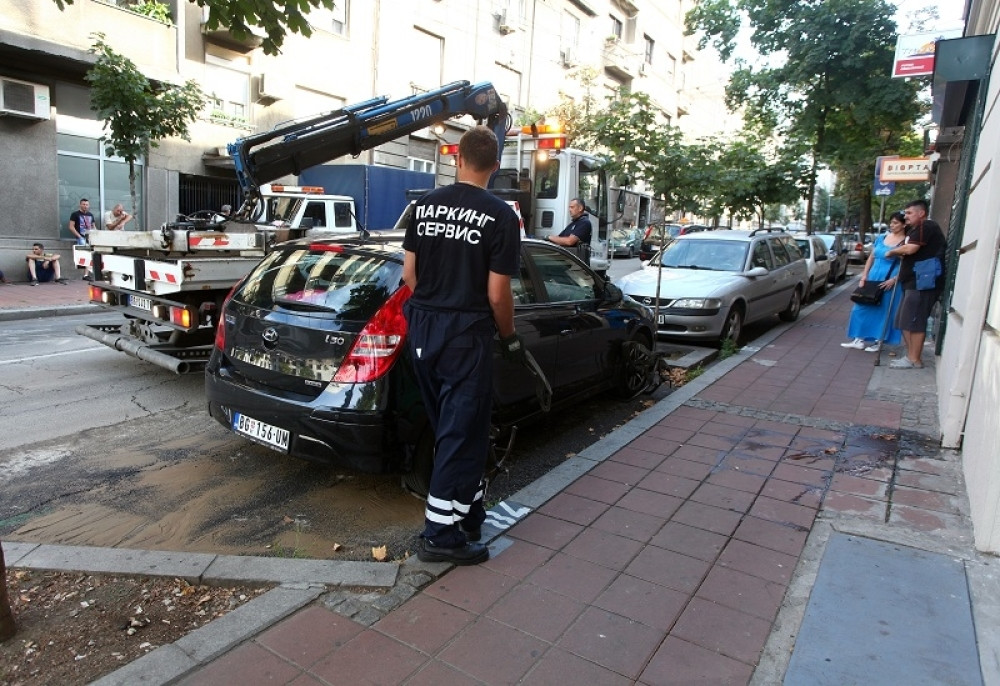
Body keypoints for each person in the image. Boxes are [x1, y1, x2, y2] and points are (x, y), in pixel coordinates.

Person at [402, 125, 521, 566]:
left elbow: (409, 275)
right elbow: (497, 294)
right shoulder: (501, 216)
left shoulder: (423, 206)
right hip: (465, 335)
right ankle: (439, 535)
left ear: (456, 158)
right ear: (494, 164)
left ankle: (468, 513)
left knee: (454, 428)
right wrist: (508, 337)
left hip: (425, 328)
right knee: (460, 432)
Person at [885, 199, 946, 369]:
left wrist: (892, 251)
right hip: (913, 282)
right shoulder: (916, 229)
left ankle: (914, 359)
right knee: (904, 320)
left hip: (922, 283)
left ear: (921, 213)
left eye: (910, 213)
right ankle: (910, 356)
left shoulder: (926, 226)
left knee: (915, 320)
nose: (906, 216)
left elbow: (910, 249)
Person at [841, 212, 906, 352]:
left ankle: (879, 340)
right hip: (873, 275)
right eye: (891, 222)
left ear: (904, 225)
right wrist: (864, 276)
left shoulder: (905, 242)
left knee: (884, 309)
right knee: (861, 305)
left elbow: (907, 264)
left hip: (889, 279)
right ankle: (859, 338)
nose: (892, 225)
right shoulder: (882, 238)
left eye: (896, 223)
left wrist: (895, 279)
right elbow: (871, 257)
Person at [546, 197, 592, 264]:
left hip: (577, 264)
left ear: (580, 208)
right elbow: (559, 238)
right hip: (568, 262)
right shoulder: (574, 223)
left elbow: (569, 241)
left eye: (572, 207)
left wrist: (549, 237)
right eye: (569, 207)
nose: (570, 210)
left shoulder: (584, 223)